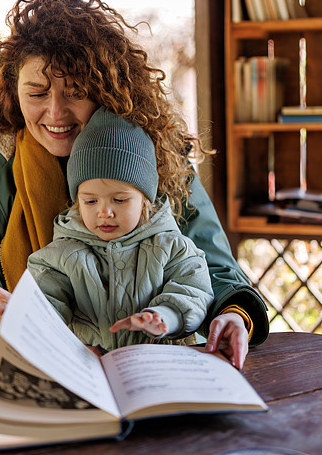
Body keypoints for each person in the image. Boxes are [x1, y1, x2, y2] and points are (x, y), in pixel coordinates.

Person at [0, 0, 268, 388]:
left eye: (75, 92)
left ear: (107, 90)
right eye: (36, 93)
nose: (55, 112)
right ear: (14, 91)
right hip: (22, 383)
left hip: (154, 376)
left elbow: (211, 266)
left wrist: (234, 313)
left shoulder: (155, 156)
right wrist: (48, 353)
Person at [27, 106, 213, 350]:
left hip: (158, 369)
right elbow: (46, 298)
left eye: (120, 200)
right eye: (91, 201)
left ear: (145, 199)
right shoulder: (60, 255)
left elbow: (194, 290)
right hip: (90, 373)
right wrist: (26, 315)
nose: (104, 212)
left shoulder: (171, 247)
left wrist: (165, 316)